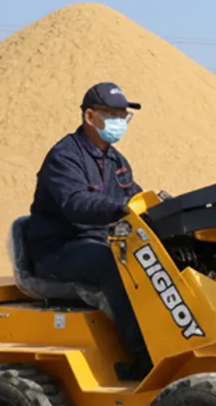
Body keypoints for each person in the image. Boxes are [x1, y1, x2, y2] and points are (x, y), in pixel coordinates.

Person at [25, 82, 152, 380]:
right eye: (112, 114)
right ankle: (143, 356)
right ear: (90, 117)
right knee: (113, 264)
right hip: (58, 251)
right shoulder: (64, 156)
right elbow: (76, 203)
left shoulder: (116, 160)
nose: (120, 121)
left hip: (96, 243)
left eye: (123, 115)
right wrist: (121, 208)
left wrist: (154, 205)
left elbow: (133, 195)